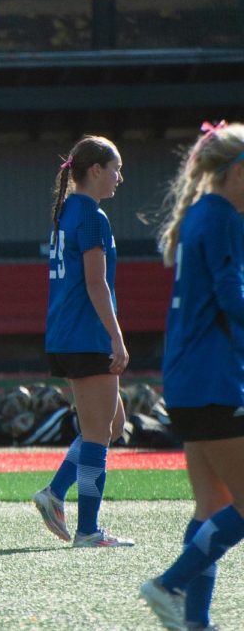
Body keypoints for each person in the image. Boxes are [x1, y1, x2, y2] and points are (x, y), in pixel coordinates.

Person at [140, 121, 244, 631]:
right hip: (214, 380)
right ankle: (170, 585)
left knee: (212, 503)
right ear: (236, 171)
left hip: (187, 380)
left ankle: (194, 621)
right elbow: (232, 300)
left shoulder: (200, 215)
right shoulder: (224, 216)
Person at [32, 136, 132, 549]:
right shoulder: (92, 215)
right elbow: (95, 284)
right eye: (115, 169)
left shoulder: (67, 210)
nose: (119, 178)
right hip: (85, 334)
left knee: (112, 424)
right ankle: (88, 530)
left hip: (68, 333)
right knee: (97, 433)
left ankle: (54, 493)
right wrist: (117, 337)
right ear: (95, 170)